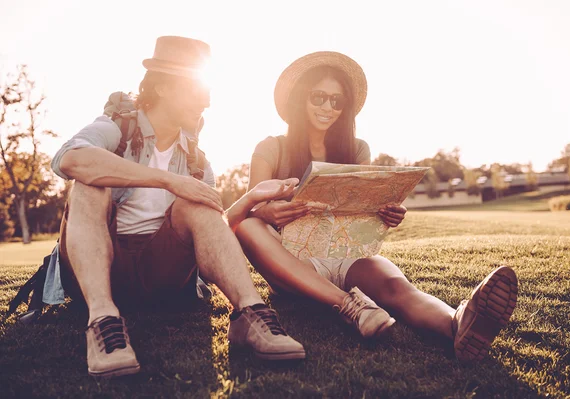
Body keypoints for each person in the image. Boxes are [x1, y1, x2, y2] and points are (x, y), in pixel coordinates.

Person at [46, 36, 306, 378]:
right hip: (99, 271)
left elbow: (213, 233)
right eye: (197, 88)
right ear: (164, 88)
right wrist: (167, 180)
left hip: (161, 275)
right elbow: (71, 159)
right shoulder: (115, 127)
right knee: (89, 186)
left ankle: (250, 314)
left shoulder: (197, 160)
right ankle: (104, 323)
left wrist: (253, 196)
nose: (207, 101)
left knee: (199, 201)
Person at [235, 51, 518, 362]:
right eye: (319, 97)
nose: (328, 108)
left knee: (397, 287)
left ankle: (458, 323)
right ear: (301, 98)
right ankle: (349, 305)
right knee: (249, 227)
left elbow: (361, 212)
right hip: (290, 258)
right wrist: (267, 211)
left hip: (344, 254)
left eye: (337, 101)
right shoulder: (271, 147)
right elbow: (248, 211)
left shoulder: (356, 149)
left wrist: (385, 212)